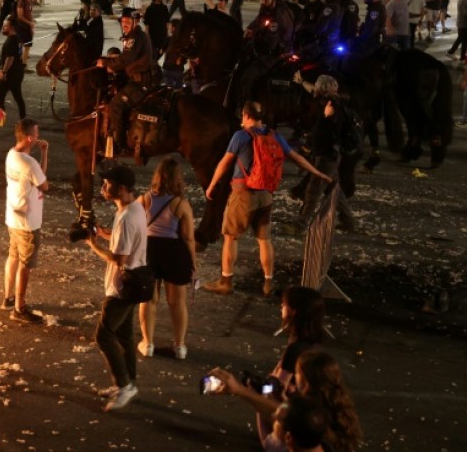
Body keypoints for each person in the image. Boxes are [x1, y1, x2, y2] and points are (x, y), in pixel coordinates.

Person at [203, 101, 332, 296]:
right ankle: (268, 284)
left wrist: (212, 185)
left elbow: (225, 162)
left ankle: (226, 281)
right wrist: (317, 173)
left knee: (230, 237)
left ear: (245, 116)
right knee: (264, 240)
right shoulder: (274, 135)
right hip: (266, 195)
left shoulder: (241, 136)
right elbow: (296, 157)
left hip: (243, 195)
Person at [207, 286, 328, 451]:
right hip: (311, 422)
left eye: (284, 304)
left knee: (264, 397)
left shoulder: (296, 350)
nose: (281, 307)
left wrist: (251, 390)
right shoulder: (313, 344)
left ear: (293, 312)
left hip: (300, 422)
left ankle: (272, 442)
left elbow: (274, 393)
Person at [81, 165, 147, 412]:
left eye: (107, 184)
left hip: (121, 286)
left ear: (121, 188)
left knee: (104, 335)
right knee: (125, 335)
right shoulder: (134, 209)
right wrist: (102, 233)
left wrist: (92, 245)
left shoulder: (128, 217)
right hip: (134, 282)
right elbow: (122, 240)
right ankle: (129, 381)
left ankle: (124, 386)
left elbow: (118, 258)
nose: (103, 188)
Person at [136, 157, 195, 360]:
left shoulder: (145, 199)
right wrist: (192, 264)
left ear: (157, 176)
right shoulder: (181, 204)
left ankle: (148, 343)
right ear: (178, 179)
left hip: (149, 250)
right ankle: (180, 346)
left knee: (149, 300)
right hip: (174, 252)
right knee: (177, 303)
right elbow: (188, 237)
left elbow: (131, 219)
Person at [283, 74, 356, 233]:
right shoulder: (327, 101)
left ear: (322, 89)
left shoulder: (332, 107)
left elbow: (329, 130)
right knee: (334, 189)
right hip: (328, 156)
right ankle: (348, 221)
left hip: (326, 157)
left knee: (313, 191)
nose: (314, 89)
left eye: (317, 86)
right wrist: (302, 82)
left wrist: (325, 117)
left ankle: (299, 226)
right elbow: (312, 91)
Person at [3, 118, 49, 323]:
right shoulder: (30, 163)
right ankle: (20, 309)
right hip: (28, 221)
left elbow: (39, 178)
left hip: (13, 216)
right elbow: (44, 185)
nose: (38, 137)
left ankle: (8, 298)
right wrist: (43, 156)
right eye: (37, 134)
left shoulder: (12, 155)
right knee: (25, 264)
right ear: (30, 138)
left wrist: (43, 154)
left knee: (13, 256)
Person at [97, 7, 154, 152]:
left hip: (140, 83)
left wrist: (106, 63)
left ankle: (120, 144)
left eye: (128, 21)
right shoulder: (134, 36)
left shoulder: (135, 37)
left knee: (116, 104)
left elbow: (127, 59)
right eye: (123, 21)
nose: (125, 24)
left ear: (136, 21)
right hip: (137, 79)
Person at [0, 18, 27, 121]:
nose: (3, 28)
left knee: (1, 95)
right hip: (18, 71)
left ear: (11, 27)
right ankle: (23, 117)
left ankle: (0, 116)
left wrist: (4, 72)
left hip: (10, 73)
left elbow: (10, 59)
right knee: (17, 95)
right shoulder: (18, 37)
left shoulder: (9, 42)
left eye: (5, 26)